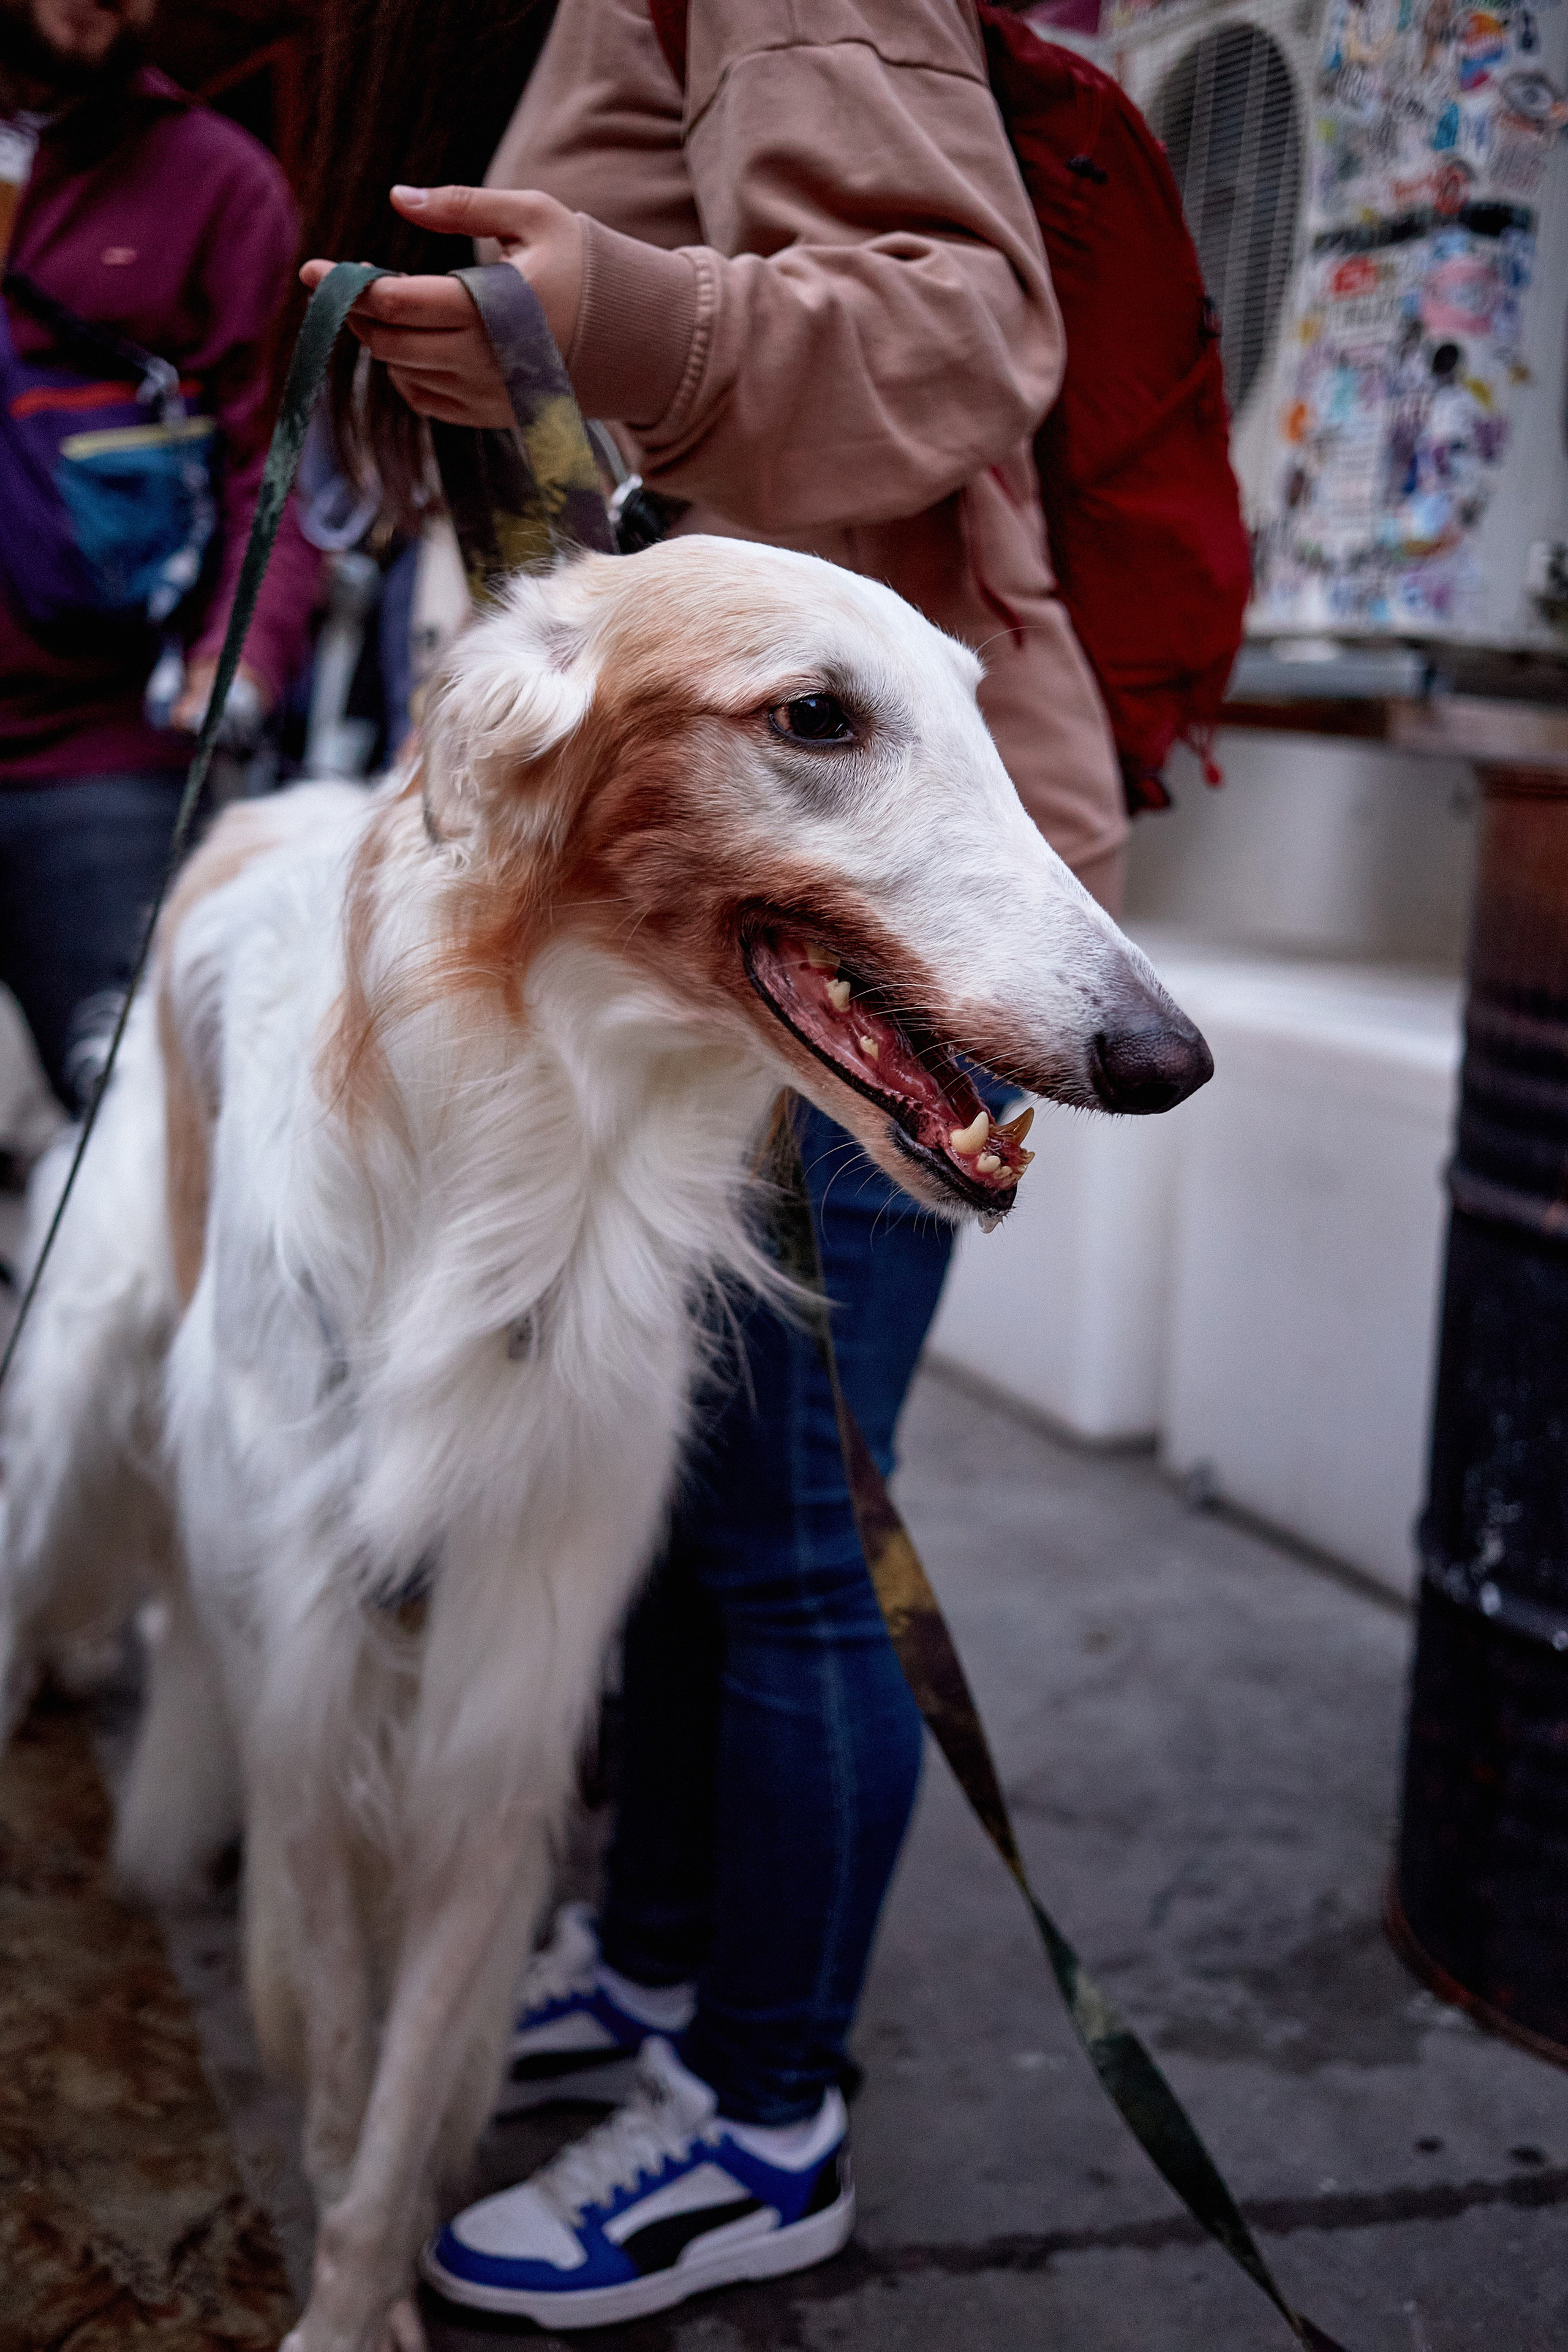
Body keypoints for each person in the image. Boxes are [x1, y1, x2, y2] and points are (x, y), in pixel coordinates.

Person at [303, 0, 1129, 2327]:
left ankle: (764, 2117)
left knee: (783, 1538)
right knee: (684, 1503)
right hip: (729, 898)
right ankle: (665, 1974)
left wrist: (615, 320)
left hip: (878, 880)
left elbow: (970, 333)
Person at [0, 0, 318, 1109]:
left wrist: (241, 664)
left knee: (144, 1126)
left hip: (103, 755)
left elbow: (276, 470)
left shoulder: (220, 185)